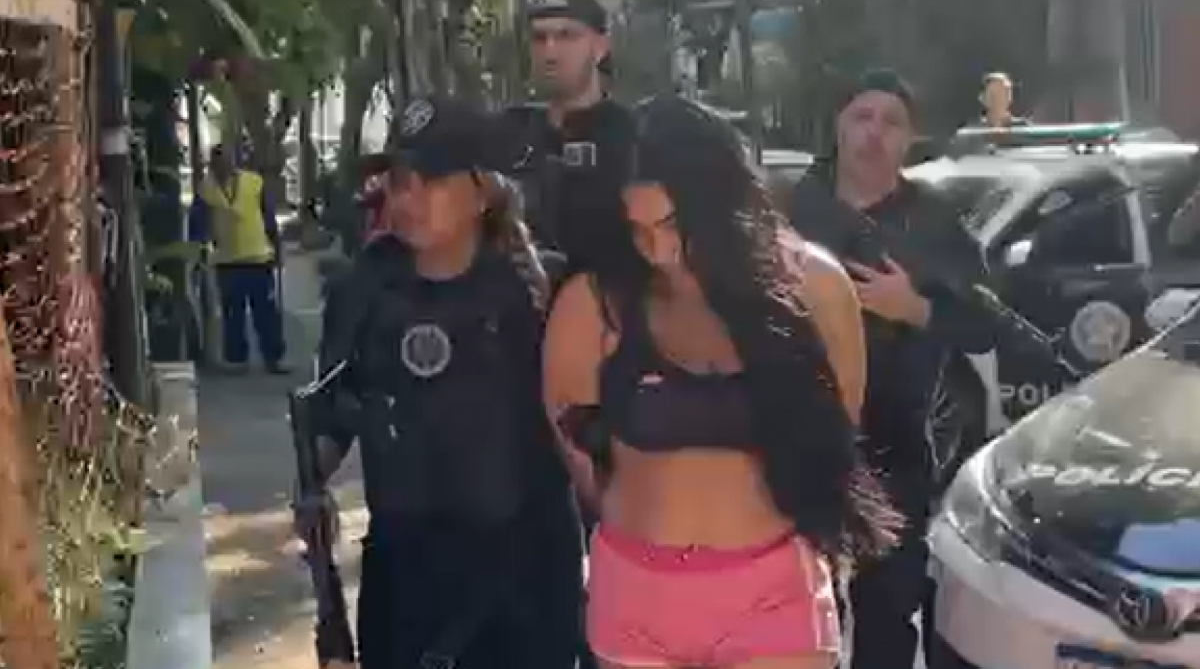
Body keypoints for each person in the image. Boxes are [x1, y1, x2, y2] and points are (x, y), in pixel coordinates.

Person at [544, 96, 901, 669]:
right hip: (636, 595)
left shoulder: (814, 287)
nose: (659, 252)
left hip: (774, 590)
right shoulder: (595, 302)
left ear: (723, 205)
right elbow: (575, 446)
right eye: (638, 230)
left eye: (673, 227)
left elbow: (838, 431)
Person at [298, 96, 584, 669]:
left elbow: (582, 432)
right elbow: (332, 413)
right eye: (400, 182)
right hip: (406, 577)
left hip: (523, 578)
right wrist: (312, 486)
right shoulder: (365, 288)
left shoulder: (540, 288)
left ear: (483, 192)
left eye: (430, 181)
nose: (409, 198)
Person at [789, 70, 996, 669]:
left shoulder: (934, 222)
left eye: (891, 122)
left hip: (894, 449)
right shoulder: (789, 209)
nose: (874, 133)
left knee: (886, 618)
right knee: (797, 619)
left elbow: (983, 324)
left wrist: (915, 308)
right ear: (837, 125)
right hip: (797, 442)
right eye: (862, 117)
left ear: (911, 139)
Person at [501, 0, 637, 277]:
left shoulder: (635, 138)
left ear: (600, 47)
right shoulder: (507, 134)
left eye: (567, 36)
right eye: (539, 38)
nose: (550, 51)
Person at [189, 143, 289, 373]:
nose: (225, 166)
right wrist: (199, 252)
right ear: (213, 165)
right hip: (227, 260)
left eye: (228, 161)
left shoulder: (254, 182)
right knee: (233, 313)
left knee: (266, 312)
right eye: (219, 163)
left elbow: (268, 217)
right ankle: (237, 359)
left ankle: (273, 357)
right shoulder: (206, 190)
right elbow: (198, 225)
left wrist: (277, 247)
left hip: (258, 257)